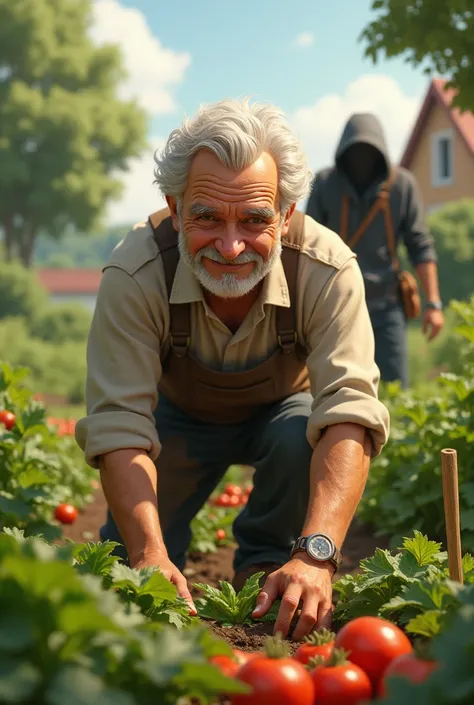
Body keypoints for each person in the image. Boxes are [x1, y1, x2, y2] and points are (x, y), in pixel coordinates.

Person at [75, 98, 389, 641]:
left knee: (300, 433)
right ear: (175, 209)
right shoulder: (136, 271)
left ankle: (267, 563)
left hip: (283, 413)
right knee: (131, 566)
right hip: (175, 425)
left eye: (254, 219)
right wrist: (149, 552)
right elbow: (120, 422)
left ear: (286, 214)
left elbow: (349, 407)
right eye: (206, 217)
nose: (230, 245)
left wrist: (318, 553)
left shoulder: (326, 267)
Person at [306, 113, 445, 388]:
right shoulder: (324, 184)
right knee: (332, 388)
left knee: (395, 390)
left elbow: (420, 245)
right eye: (356, 152)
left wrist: (433, 303)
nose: (362, 159)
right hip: (334, 306)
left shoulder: (401, 186)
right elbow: (306, 248)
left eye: (369, 152)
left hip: (386, 307)